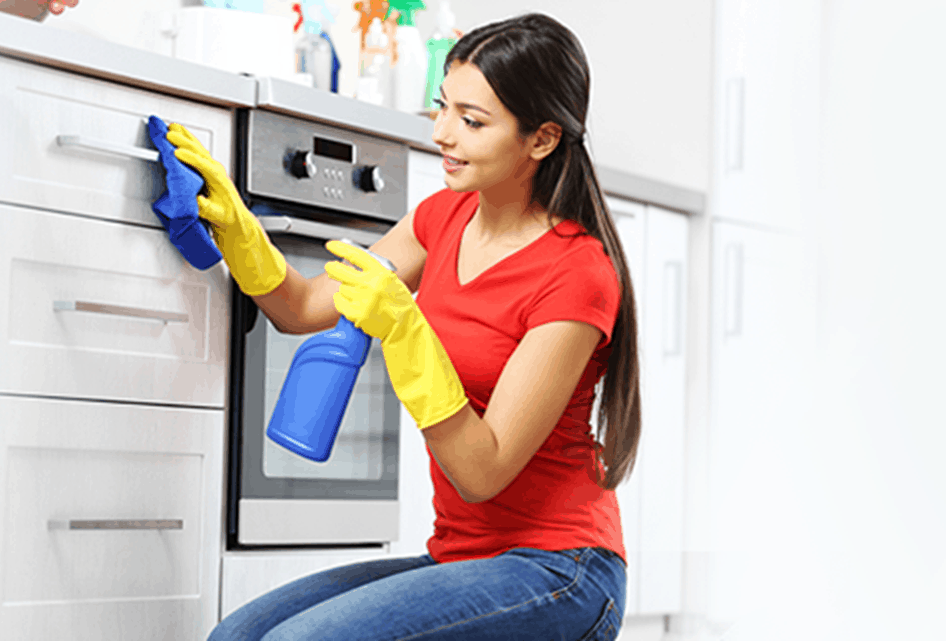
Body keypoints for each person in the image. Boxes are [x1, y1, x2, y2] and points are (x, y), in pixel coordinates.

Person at [165, 11, 641, 641]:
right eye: (444, 108)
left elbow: (483, 471)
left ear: (542, 139)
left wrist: (406, 334)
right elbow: (303, 307)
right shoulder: (441, 219)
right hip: (463, 557)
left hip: (561, 568)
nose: (443, 134)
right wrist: (234, 224)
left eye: (472, 122)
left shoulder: (577, 273)